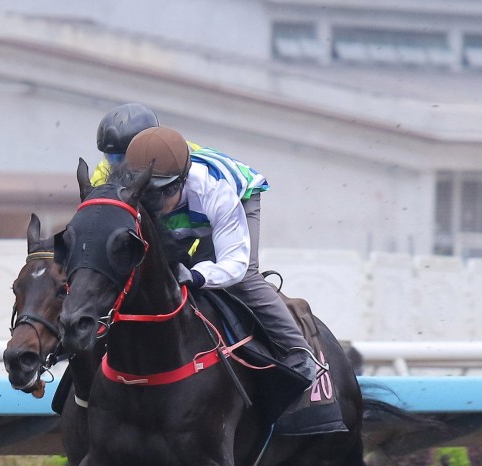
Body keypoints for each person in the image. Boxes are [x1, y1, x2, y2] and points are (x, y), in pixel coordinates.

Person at [121, 126, 344, 434]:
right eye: (150, 194)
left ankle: (299, 354)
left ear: (183, 180)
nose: (160, 203)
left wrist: (197, 276)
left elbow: (234, 265)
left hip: (241, 196)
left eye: (168, 191)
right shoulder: (129, 188)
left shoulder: (213, 190)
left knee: (242, 280)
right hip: (194, 205)